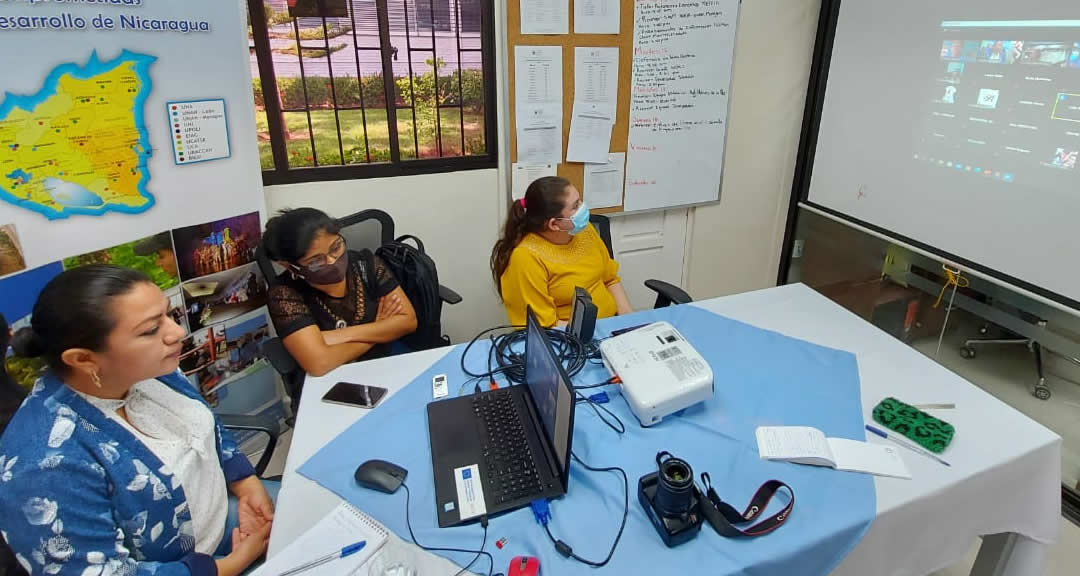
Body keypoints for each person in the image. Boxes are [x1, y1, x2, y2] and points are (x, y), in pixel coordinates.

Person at [0, 265, 275, 576]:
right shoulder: (44, 465)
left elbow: (203, 423)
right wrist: (228, 566)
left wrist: (246, 483)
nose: (177, 332)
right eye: (149, 330)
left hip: (230, 519)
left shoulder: (153, 370)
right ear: (84, 359)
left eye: (168, 315)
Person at [263, 208, 417, 377]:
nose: (332, 260)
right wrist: (380, 329)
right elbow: (320, 363)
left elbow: (408, 321)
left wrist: (338, 336)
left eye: (336, 247)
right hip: (330, 380)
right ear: (288, 265)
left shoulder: (365, 264)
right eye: (315, 260)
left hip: (383, 364)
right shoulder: (284, 293)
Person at [491, 176, 633, 327]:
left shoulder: (585, 231)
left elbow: (610, 279)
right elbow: (544, 325)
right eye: (575, 206)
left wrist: (629, 321)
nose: (583, 208)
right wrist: (595, 332)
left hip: (611, 325)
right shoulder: (525, 258)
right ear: (554, 224)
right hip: (571, 338)